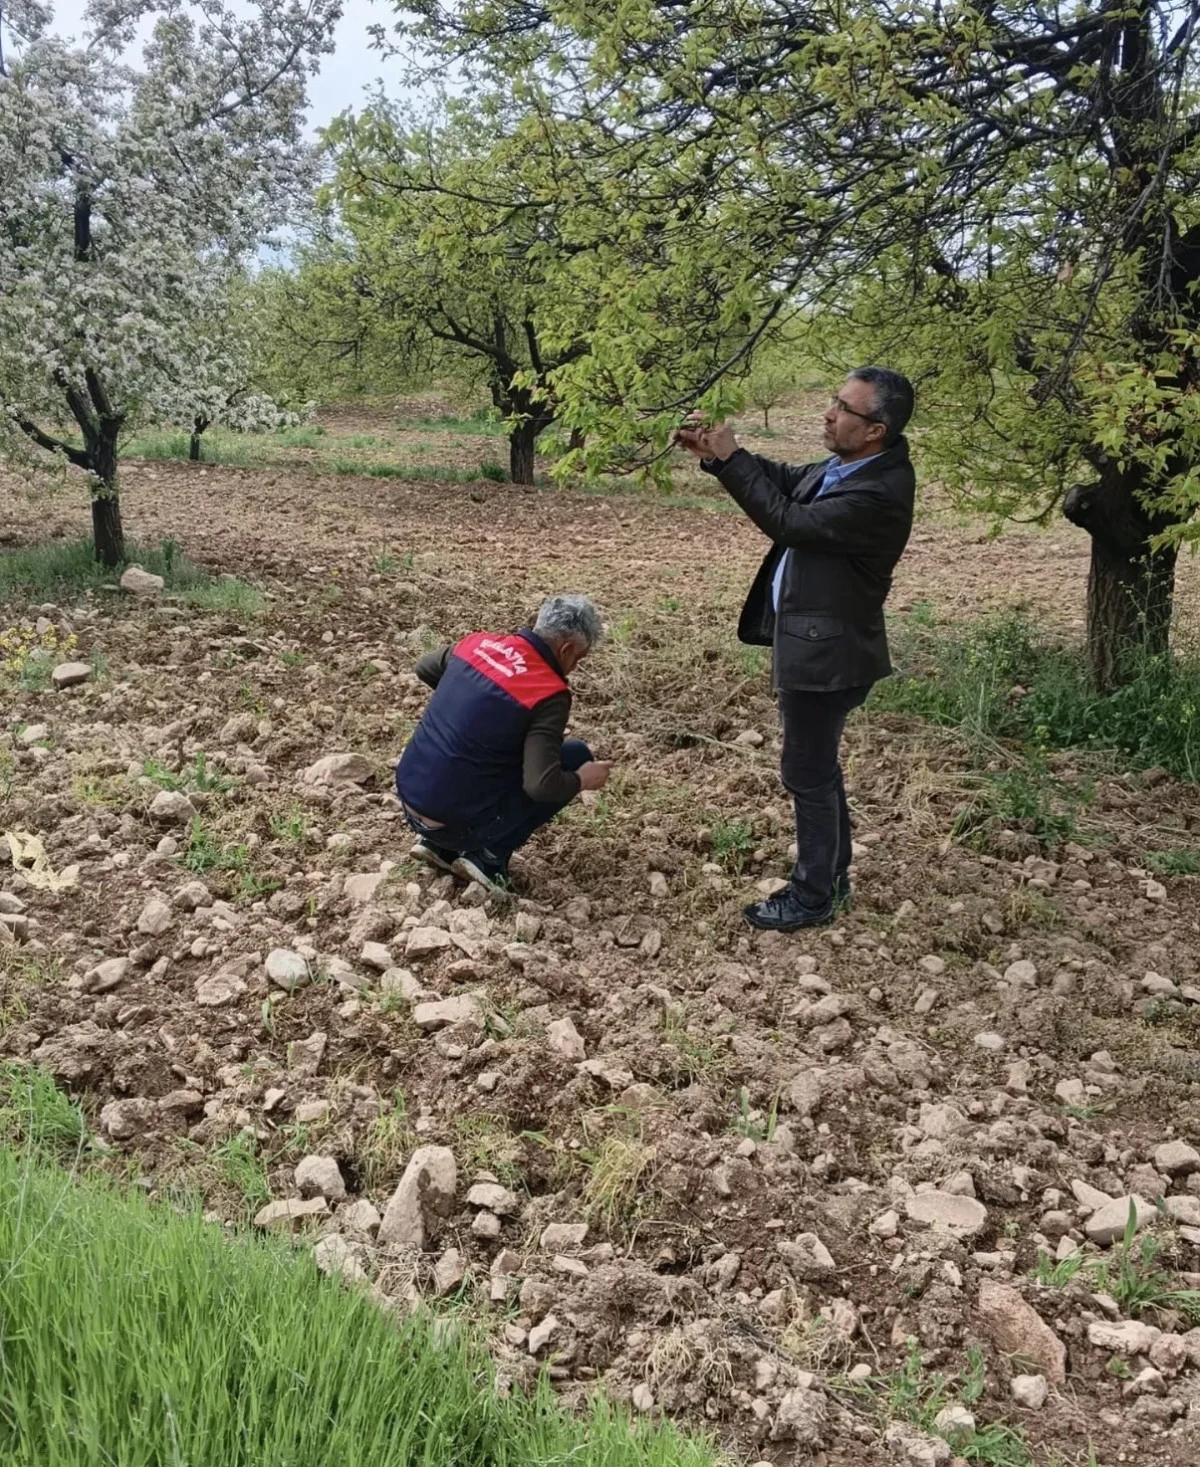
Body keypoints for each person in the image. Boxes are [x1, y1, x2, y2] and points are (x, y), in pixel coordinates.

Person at [674, 367, 916, 931]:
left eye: (844, 409)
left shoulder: (879, 490)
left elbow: (791, 521)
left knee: (806, 774)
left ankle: (811, 898)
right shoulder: (850, 465)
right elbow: (785, 481)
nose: (829, 414)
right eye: (834, 401)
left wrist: (734, 460)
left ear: (875, 429)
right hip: (820, 647)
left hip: (828, 657)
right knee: (819, 771)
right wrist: (717, 455)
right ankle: (832, 878)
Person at [394, 593, 612, 889]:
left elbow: (424, 668)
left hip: (409, 799)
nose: (574, 666)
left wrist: (472, 707)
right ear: (567, 648)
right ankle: (488, 856)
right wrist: (583, 780)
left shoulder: (476, 644)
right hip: (456, 823)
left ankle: (437, 846)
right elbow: (542, 785)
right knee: (574, 755)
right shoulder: (548, 692)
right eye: (578, 658)